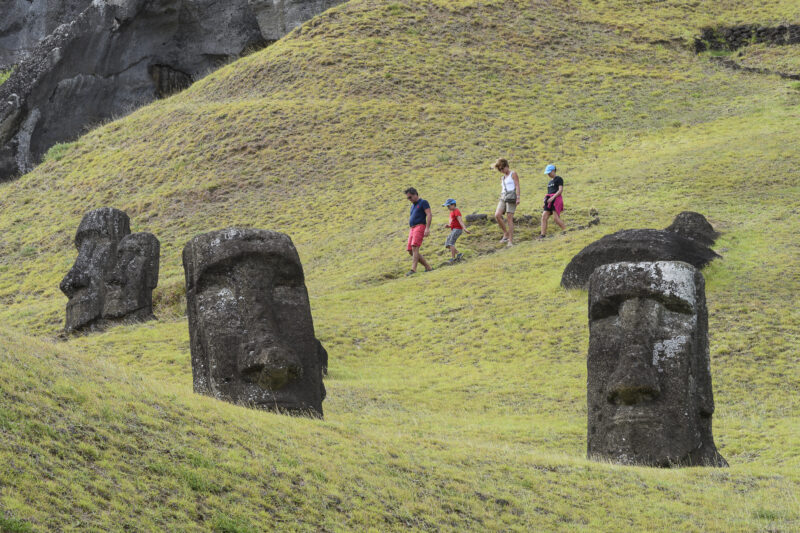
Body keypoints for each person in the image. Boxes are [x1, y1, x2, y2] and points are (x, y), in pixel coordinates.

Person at [404, 187, 433, 276]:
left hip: (420, 226)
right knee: (410, 250)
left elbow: (429, 214)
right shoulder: (413, 205)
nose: (409, 199)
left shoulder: (423, 202)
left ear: (416, 194)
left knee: (415, 247)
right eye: (408, 198)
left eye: (410, 197)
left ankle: (413, 269)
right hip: (412, 228)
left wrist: (427, 228)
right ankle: (428, 267)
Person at [493, 158, 520, 247]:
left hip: (511, 196)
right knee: (497, 215)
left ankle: (510, 241)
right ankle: (506, 233)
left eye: (502, 168)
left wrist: (518, 197)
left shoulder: (513, 174)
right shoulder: (502, 177)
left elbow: (517, 185)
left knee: (509, 218)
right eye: (499, 169)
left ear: (506, 166)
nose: (501, 171)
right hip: (503, 196)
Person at [540, 164, 566, 238]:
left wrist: (553, 197)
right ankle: (542, 235)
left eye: (549, 172)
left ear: (553, 171)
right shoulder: (549, 182)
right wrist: (545, 202)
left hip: (556, 199)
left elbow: (560, 190)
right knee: (544, 216)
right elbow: (549, 193)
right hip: (549, 201)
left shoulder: (559, 179)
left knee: (556, 218)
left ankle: (566, 230)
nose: (548, 174)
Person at [442, 198, 470, 263]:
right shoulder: (451, 212)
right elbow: (453, 222)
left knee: (451, 243)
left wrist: (465, 228)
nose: (448, 207)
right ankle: (458, 254)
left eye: (449, 206)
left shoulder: (456, 211)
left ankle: (452, 258)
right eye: (447, 206)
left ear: (453, 205)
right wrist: (449, 226)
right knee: (447, 244)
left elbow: (460, 221)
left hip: (458, 229)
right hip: (454, 229)